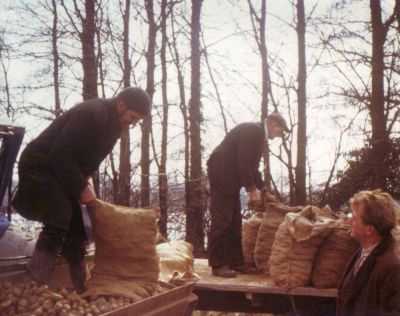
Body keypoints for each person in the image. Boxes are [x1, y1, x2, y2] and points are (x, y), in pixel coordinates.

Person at [12, 87, 151, 293]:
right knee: (59, 216)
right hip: (40, 165)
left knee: (76, 228)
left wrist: (86, 181)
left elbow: (87, 157)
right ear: (121, 105)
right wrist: (80, 186)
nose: (132, 122)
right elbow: (60, 152)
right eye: (133, 117)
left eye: (137, 120)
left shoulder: (114, 126)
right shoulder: (91, 113)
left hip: (63, 170)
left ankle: (82, 287)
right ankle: (31, 285)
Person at [206, 112, 289, 278]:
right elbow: (243, 162)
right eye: (280, 131)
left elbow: (252, 167)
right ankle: (218, 264)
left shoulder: (258, 135)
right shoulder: (254, 131)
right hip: (222, 173)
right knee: (222, 220)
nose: (279, 136)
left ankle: (236, 262)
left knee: (235, 221)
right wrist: (252, 191)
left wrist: (263, 189)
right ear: (272, 124)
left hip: (231, 177)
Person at [336, 189, 400, 315]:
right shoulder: (362, 253)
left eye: (354, 218)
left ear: (369, 230)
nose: (349, 222)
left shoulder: (393, 267)